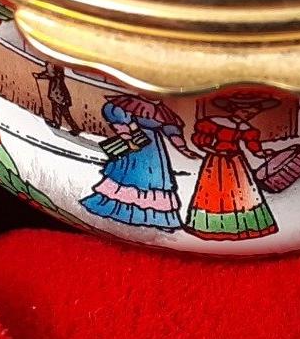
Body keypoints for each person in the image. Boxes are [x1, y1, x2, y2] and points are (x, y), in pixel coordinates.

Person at [81, 94, 198, 232]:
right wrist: (127, 137)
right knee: (128, 176)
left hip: (154, 150)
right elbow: (116, 115)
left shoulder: (162, 111)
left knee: (154, 180)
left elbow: (171, 131)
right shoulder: (129, 103)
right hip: (135, 145)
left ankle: (158, 218)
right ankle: (118, 211)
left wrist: (184, 149)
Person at [184, 93, 280, 242]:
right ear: (234, 109)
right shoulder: (216, 122)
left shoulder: (246, 129)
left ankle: (242, 226)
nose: (248, 116)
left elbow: (253, 145)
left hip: (236, 161)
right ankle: (212, 226)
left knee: (241, 191)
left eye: (252, 114)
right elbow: (201, 141)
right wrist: (214, 151)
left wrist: (262, 153)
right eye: (245, 112)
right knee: (215, 190)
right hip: (217, 161)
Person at [33, 61, 81, 136]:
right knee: (59, 111)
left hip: (59, 95)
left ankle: (73, 128)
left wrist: (39, 75)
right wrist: (40, 75)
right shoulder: (57, 68)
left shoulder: (56, 68)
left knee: (63, 112)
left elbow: (51, 74)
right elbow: (50, 74)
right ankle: (58, 124)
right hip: (58, 95)